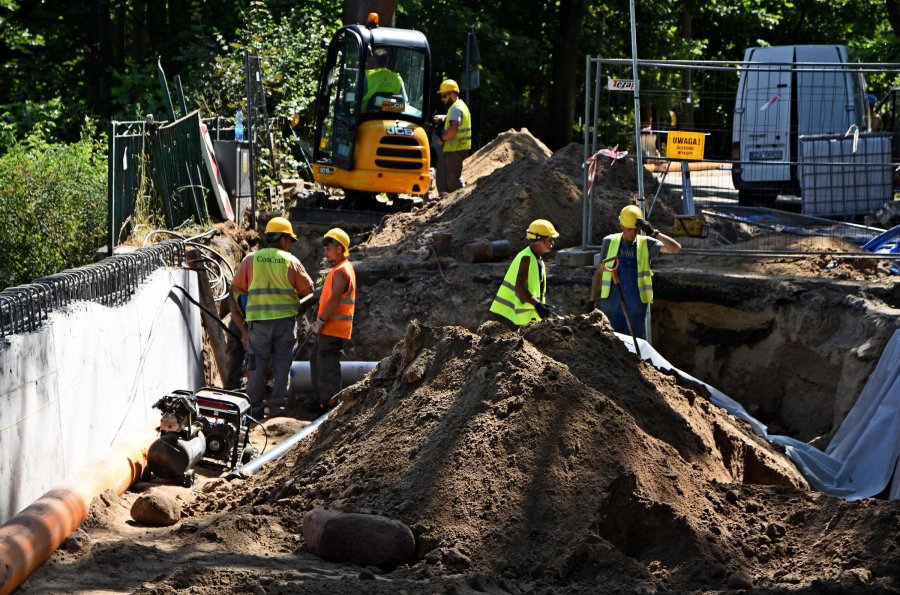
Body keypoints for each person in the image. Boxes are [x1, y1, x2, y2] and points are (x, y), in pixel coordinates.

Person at [230, 216, 314, 419]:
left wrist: (242, 330)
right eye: (290, 241)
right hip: (285, 326)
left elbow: (235, 292)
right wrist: (298, 311)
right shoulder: (291, 261)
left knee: (256, 369)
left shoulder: (251, 259)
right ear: (284, 239)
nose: (290, 246)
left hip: (258, 327)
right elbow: (310, 292)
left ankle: (254, 413)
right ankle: (277, 412)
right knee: (281, 368)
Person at [589, 205, 681, 339]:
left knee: (633, 345)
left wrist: (654, 232)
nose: (633, 232)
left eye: (636, 228)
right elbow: (599, 272)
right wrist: (591, 300)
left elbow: (675, 249)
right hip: (611, 303)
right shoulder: (609, 241)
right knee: (609, 342)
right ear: (621, 226)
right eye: (629, 229)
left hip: (635, 305)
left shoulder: (646, 243)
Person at [310, 228, 357, 409]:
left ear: (339, 249)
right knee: (317, 361)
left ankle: (329, 404)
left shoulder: (341, 271)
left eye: (328, 248)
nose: (325, 252)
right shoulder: (340, 269)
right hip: (329, 327)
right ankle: (320, 401)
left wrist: (320, 320)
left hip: (332, 327)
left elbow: (334, 299)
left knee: (327, 367)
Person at [489, 219, 559, 329]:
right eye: (551, 239)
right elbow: (519, 287)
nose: (553, 242)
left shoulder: (536, 258)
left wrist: (540, 305)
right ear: (544, 240)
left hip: (526, 317)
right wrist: (538, 305)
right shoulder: (526, 258)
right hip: (518, 318)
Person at [433, 79, 472, 196]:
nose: (442, 99)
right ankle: (445, 201)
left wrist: (442, 139)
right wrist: (443, 117)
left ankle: (463, 199)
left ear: (453, 94)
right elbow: (456, 119)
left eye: (444, 96)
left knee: (452, 181)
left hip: (455, 149)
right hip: (453, 149)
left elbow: (454, 128)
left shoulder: (455, 108)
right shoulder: (459, 106)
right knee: (442, 177)